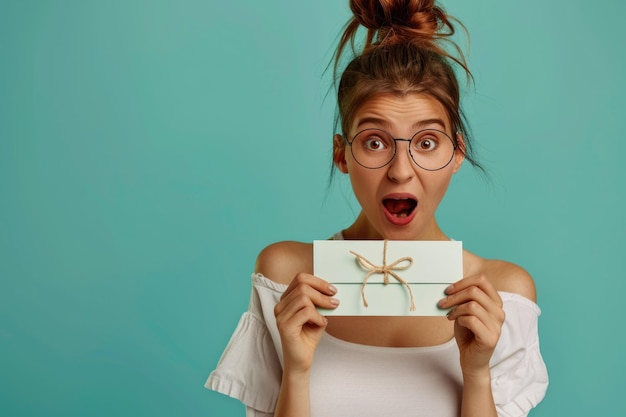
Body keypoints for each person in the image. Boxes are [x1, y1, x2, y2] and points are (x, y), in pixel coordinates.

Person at [205, 0, 548, 416]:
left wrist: (477, 374)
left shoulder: (504, 294)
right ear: (341, 154)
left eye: (426, 143)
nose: (401, 171)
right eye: (374, 142)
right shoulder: (284, 276)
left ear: (456, 153)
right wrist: (296, 371)